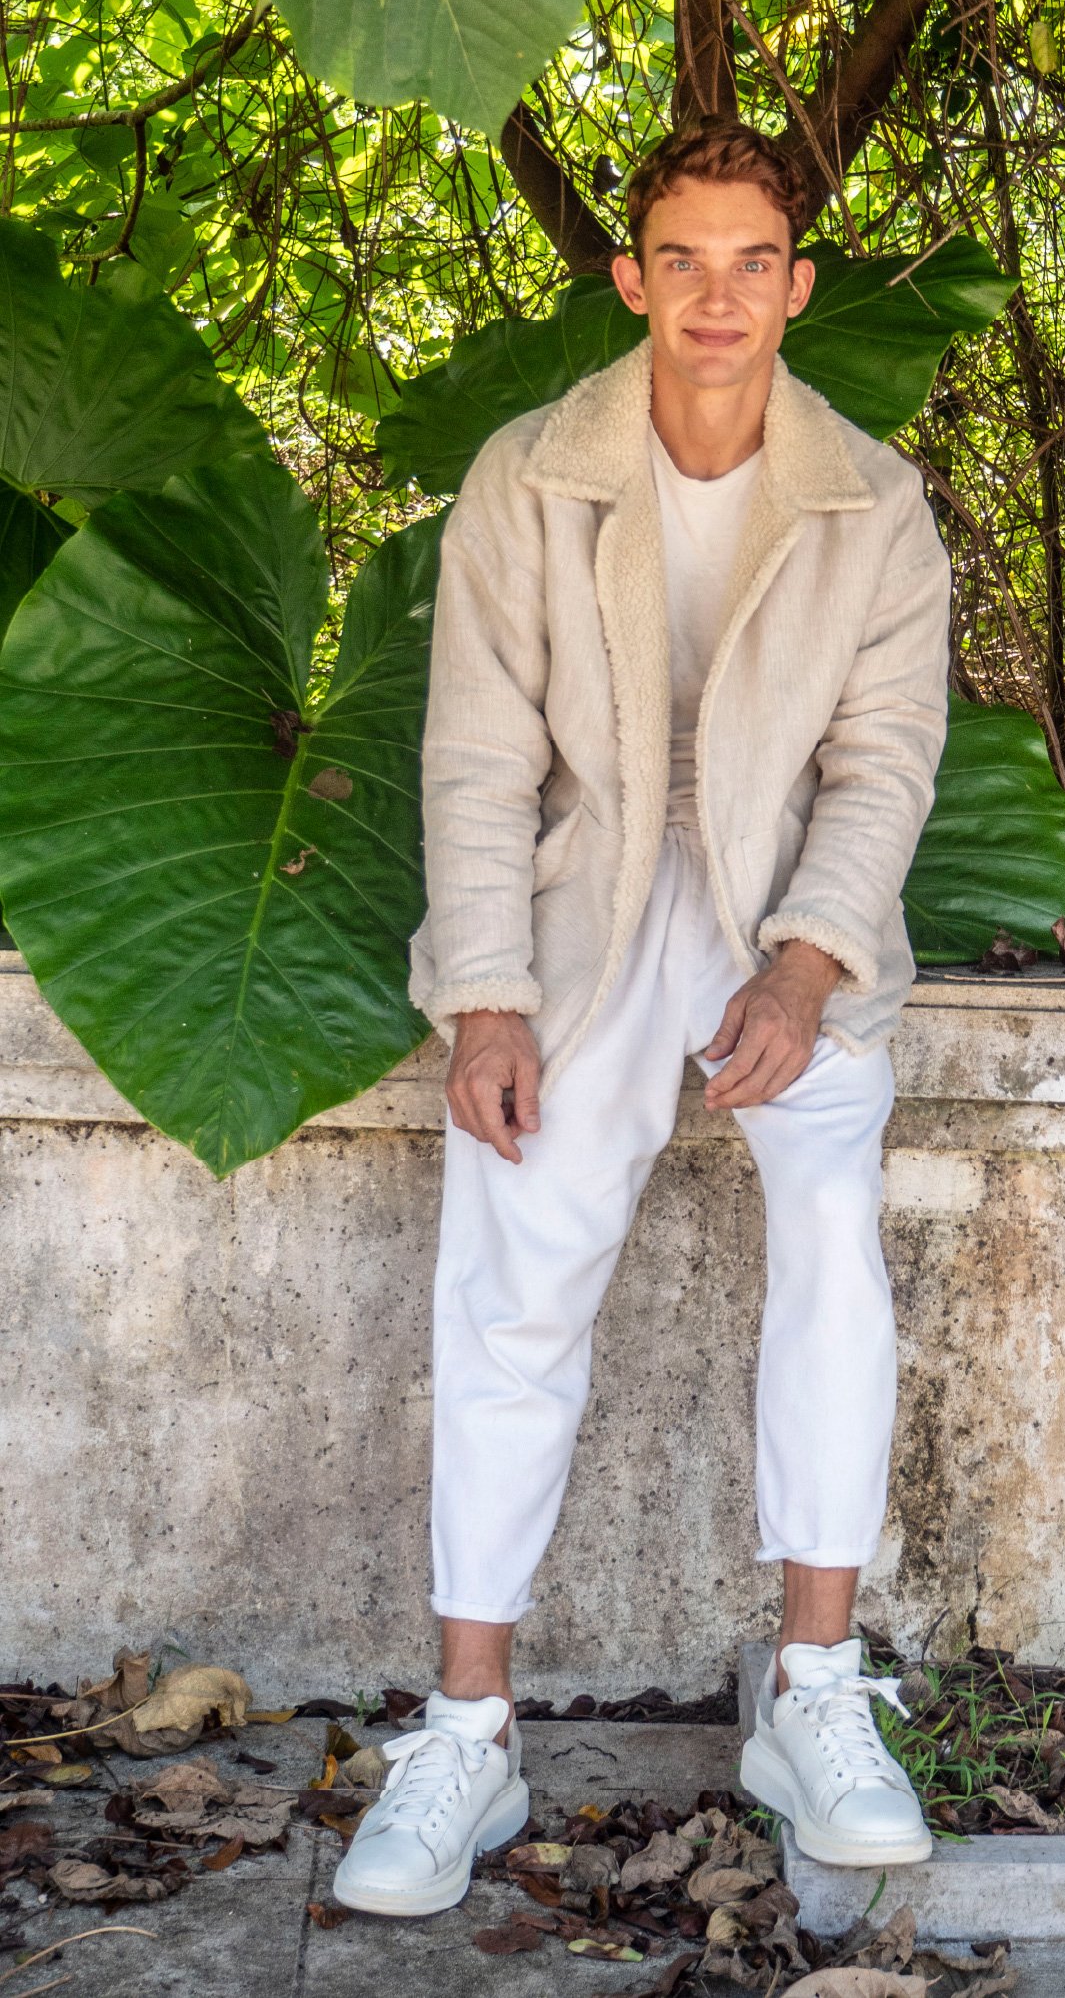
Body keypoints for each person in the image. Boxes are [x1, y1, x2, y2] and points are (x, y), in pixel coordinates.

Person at [334, 120, 952, 1919]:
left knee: (835, 1249)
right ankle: (467, 1734)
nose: (716, 297)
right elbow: (474, 754)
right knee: (513, 1281)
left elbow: (885, 763)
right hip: (577, 921)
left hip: (786, 928)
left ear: (798, 285)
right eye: (682, 259)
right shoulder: (531, 476)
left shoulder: (873, 502)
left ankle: (816, 1698)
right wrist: (488, 999)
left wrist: (806, 966)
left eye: (752, 261)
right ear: (631, 279)